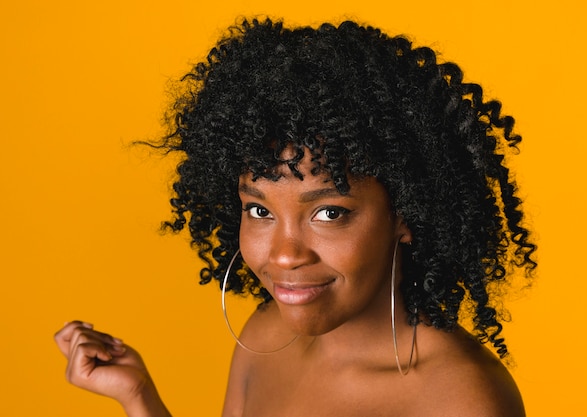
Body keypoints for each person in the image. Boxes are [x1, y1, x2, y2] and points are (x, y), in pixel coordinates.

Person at [54, 18, 537, 417]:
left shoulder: (459, 399)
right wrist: (138, 397)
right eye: (259, 210)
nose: (285, 254)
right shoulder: (265, 336)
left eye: (329, 212)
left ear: (406, 212)